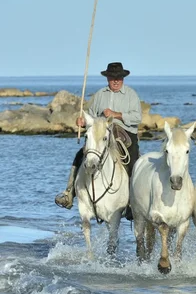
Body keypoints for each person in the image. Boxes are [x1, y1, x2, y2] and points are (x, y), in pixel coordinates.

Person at [54, 62, 142, 220]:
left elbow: (137, 117)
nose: (116, 81)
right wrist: (82, 121)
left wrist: (116, 114)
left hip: (125, 133)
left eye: (119, 78)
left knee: (134, 161)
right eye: (112, 78)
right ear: (107, 78)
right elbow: (90, 114)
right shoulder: (100, 94)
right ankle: (69, 193)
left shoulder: (131, 94)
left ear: (123, 78)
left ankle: (132, 203)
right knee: (81, 155)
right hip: (101, 133)